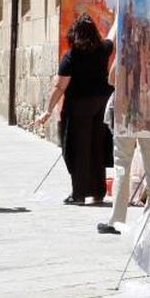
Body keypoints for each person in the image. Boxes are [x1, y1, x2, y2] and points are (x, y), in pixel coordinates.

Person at [37, 15, 113, 205]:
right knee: (96, 146)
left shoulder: (71, 56)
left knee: (77, 149)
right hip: (101, 105)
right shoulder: (103, 49)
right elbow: (111, 36)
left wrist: (47, 111)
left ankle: (78, 194)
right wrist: (118, 15)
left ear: (73, 34)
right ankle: (98, 191)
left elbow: (60, 86)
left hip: (79, 106)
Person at [100, 19, 150, 235]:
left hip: (127, 111)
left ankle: (117, 218)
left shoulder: (127, 51)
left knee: (122, 164)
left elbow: (111, 79)